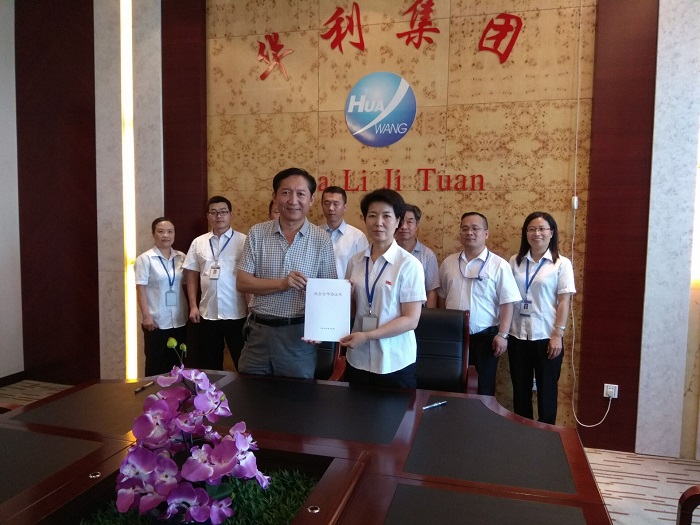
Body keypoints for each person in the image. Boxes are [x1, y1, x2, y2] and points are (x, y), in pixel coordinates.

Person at [236, 167, 337, 379]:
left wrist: (321, 329)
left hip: (299, 337)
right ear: (274, 197)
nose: (293, 200)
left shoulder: (322, 239)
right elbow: (243, 283)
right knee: (250, 393)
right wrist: (282, 284)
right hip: (258, 334)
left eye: (301, 194)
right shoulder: (257, 233)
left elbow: (330, 293)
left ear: (311, 199)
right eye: (285, 192)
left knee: (296, 397)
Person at [340, 189, 426, 389]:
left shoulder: (409, 265)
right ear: (365, 219)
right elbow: (351, 310)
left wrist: (368, 336)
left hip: (394, 360)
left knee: (396, 411)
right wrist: (346, 298)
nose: (378, 222)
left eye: (386, 216)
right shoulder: (355, 262)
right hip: (358, 358)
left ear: (398, 221)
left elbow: (411, 319)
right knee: (357, 408)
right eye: (372, 215)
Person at [437, 212, 521, 396]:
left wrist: (503, 335)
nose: (470, 233)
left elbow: (507, 302)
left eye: (475, 228)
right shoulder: (448, 263)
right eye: (465, 229)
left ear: (486, 234)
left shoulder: (499, 265)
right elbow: (442, 296)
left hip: (486, 338)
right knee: (451, 385)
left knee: (483, 389)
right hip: (454, 336)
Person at [508, 212, 575, 424]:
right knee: (520, 391)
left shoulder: (561, 264)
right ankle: (522, 436)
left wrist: (558, 335)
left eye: (542, 229)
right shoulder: (515, 261)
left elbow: (564, 301)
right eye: (531, 229)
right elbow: (507, 297)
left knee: (547, 393)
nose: (537, 233)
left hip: (547, 337)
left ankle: (546, 438)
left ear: (551, 232)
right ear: (525, 233)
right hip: (517, 335)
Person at [183, 196, 248, 371]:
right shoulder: (198, 242)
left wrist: (251, 308)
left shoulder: (243, 241)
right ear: (208, 216)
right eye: (214, 212)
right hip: (208, 312)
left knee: (242, 361)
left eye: (223, 212)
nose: (219, 216)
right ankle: (212, 390)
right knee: (210, 363)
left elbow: (250, 276)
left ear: (231, 214)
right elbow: (192, 276)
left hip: (237, 312)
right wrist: (193, 306)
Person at [134, 217, 188, 376]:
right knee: (155, 364)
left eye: (170, 232)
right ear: (153, 234)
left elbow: (188, 282)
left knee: (177, 364)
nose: (166, 235)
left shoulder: (181, 257)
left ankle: (176, 391)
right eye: (161, 231)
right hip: (156, 321)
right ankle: (153, 392)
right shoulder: (145, 259)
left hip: (179, 319)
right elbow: (140, 288)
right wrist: (146, 316)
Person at [394, 204, 439, 308]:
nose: (404, 227)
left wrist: (428, 316)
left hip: (418, 312)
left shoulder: (428, 255)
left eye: (409, 222)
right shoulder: (386, 252)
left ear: (417, 224)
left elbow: (431, 292)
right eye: (400, 222)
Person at [320, 186, 368, 279]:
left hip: (347, 287)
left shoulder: (357, 237)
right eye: (327, 203)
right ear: (322, 205)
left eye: (336, 204)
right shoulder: (314, 233)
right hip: (317, 287)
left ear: (344, 207)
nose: (331, 208)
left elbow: (364, 269)